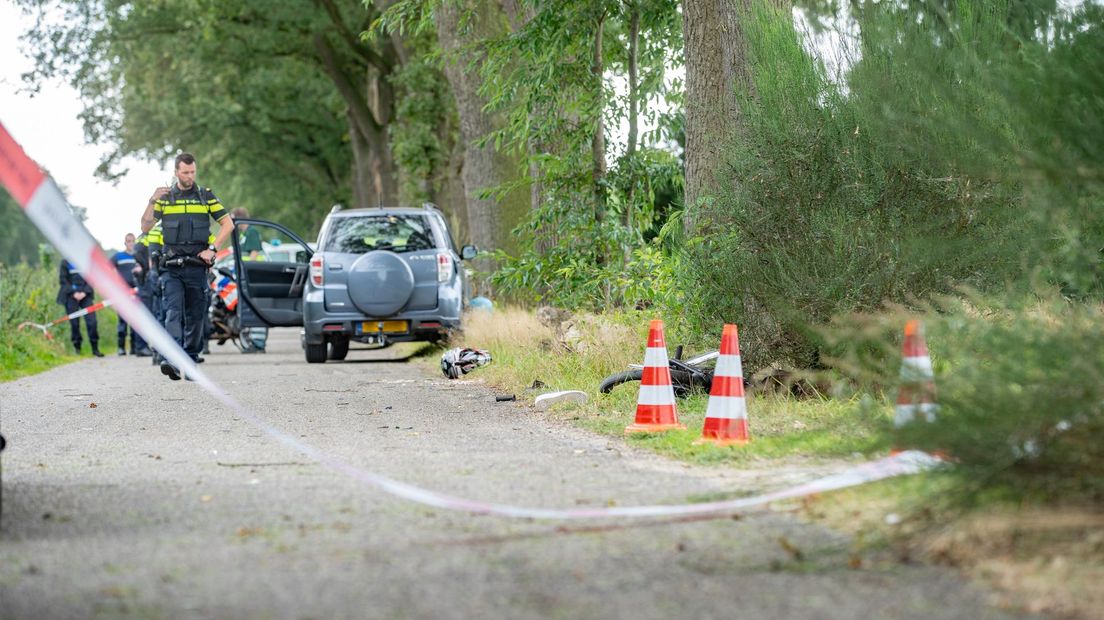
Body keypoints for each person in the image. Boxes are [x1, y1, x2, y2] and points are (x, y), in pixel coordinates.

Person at [140, 153, 233, 380]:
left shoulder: (205, 196)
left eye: (192, 172)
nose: (189, 176)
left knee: (196, 315)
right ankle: (172, 359)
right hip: (171, 267)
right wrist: (152, 201)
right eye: (185, 172)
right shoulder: (164, 197)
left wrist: (213, 248)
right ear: (176, 172)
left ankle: (190, 360)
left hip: (197, 267)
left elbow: (227, 224)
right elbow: (144, 226)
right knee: (173, 312)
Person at [230, 207, 267, 352]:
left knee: (255, 309)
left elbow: (253, 255)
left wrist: (244, 272)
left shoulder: (251, 232)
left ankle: (258, 343)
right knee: (248, 309)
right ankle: (253, 341)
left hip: (253, 276)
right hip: (246, 275)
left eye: (233, 219)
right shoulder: (243, 234)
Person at [56, 259, 103, 357]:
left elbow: (91, 279)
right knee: (74, 323)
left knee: (92, 322)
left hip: (86, 295)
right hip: (71, 296)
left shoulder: (85, 259)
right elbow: (63, 280)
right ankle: (77, 348)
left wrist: (84, 292)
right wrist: (74, 293)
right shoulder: (65, 262)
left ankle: (95, 348)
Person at [110, 233, 141, 355]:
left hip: (136, 292)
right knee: (122, 321)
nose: (131, 243)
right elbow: (107, 268)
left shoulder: (138, 256)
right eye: (128, 241)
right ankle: (121, 348)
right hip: (122, 293)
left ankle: (134, 348)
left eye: (133, 241)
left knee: (135, 321)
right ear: (125, 243)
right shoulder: (118, 256)